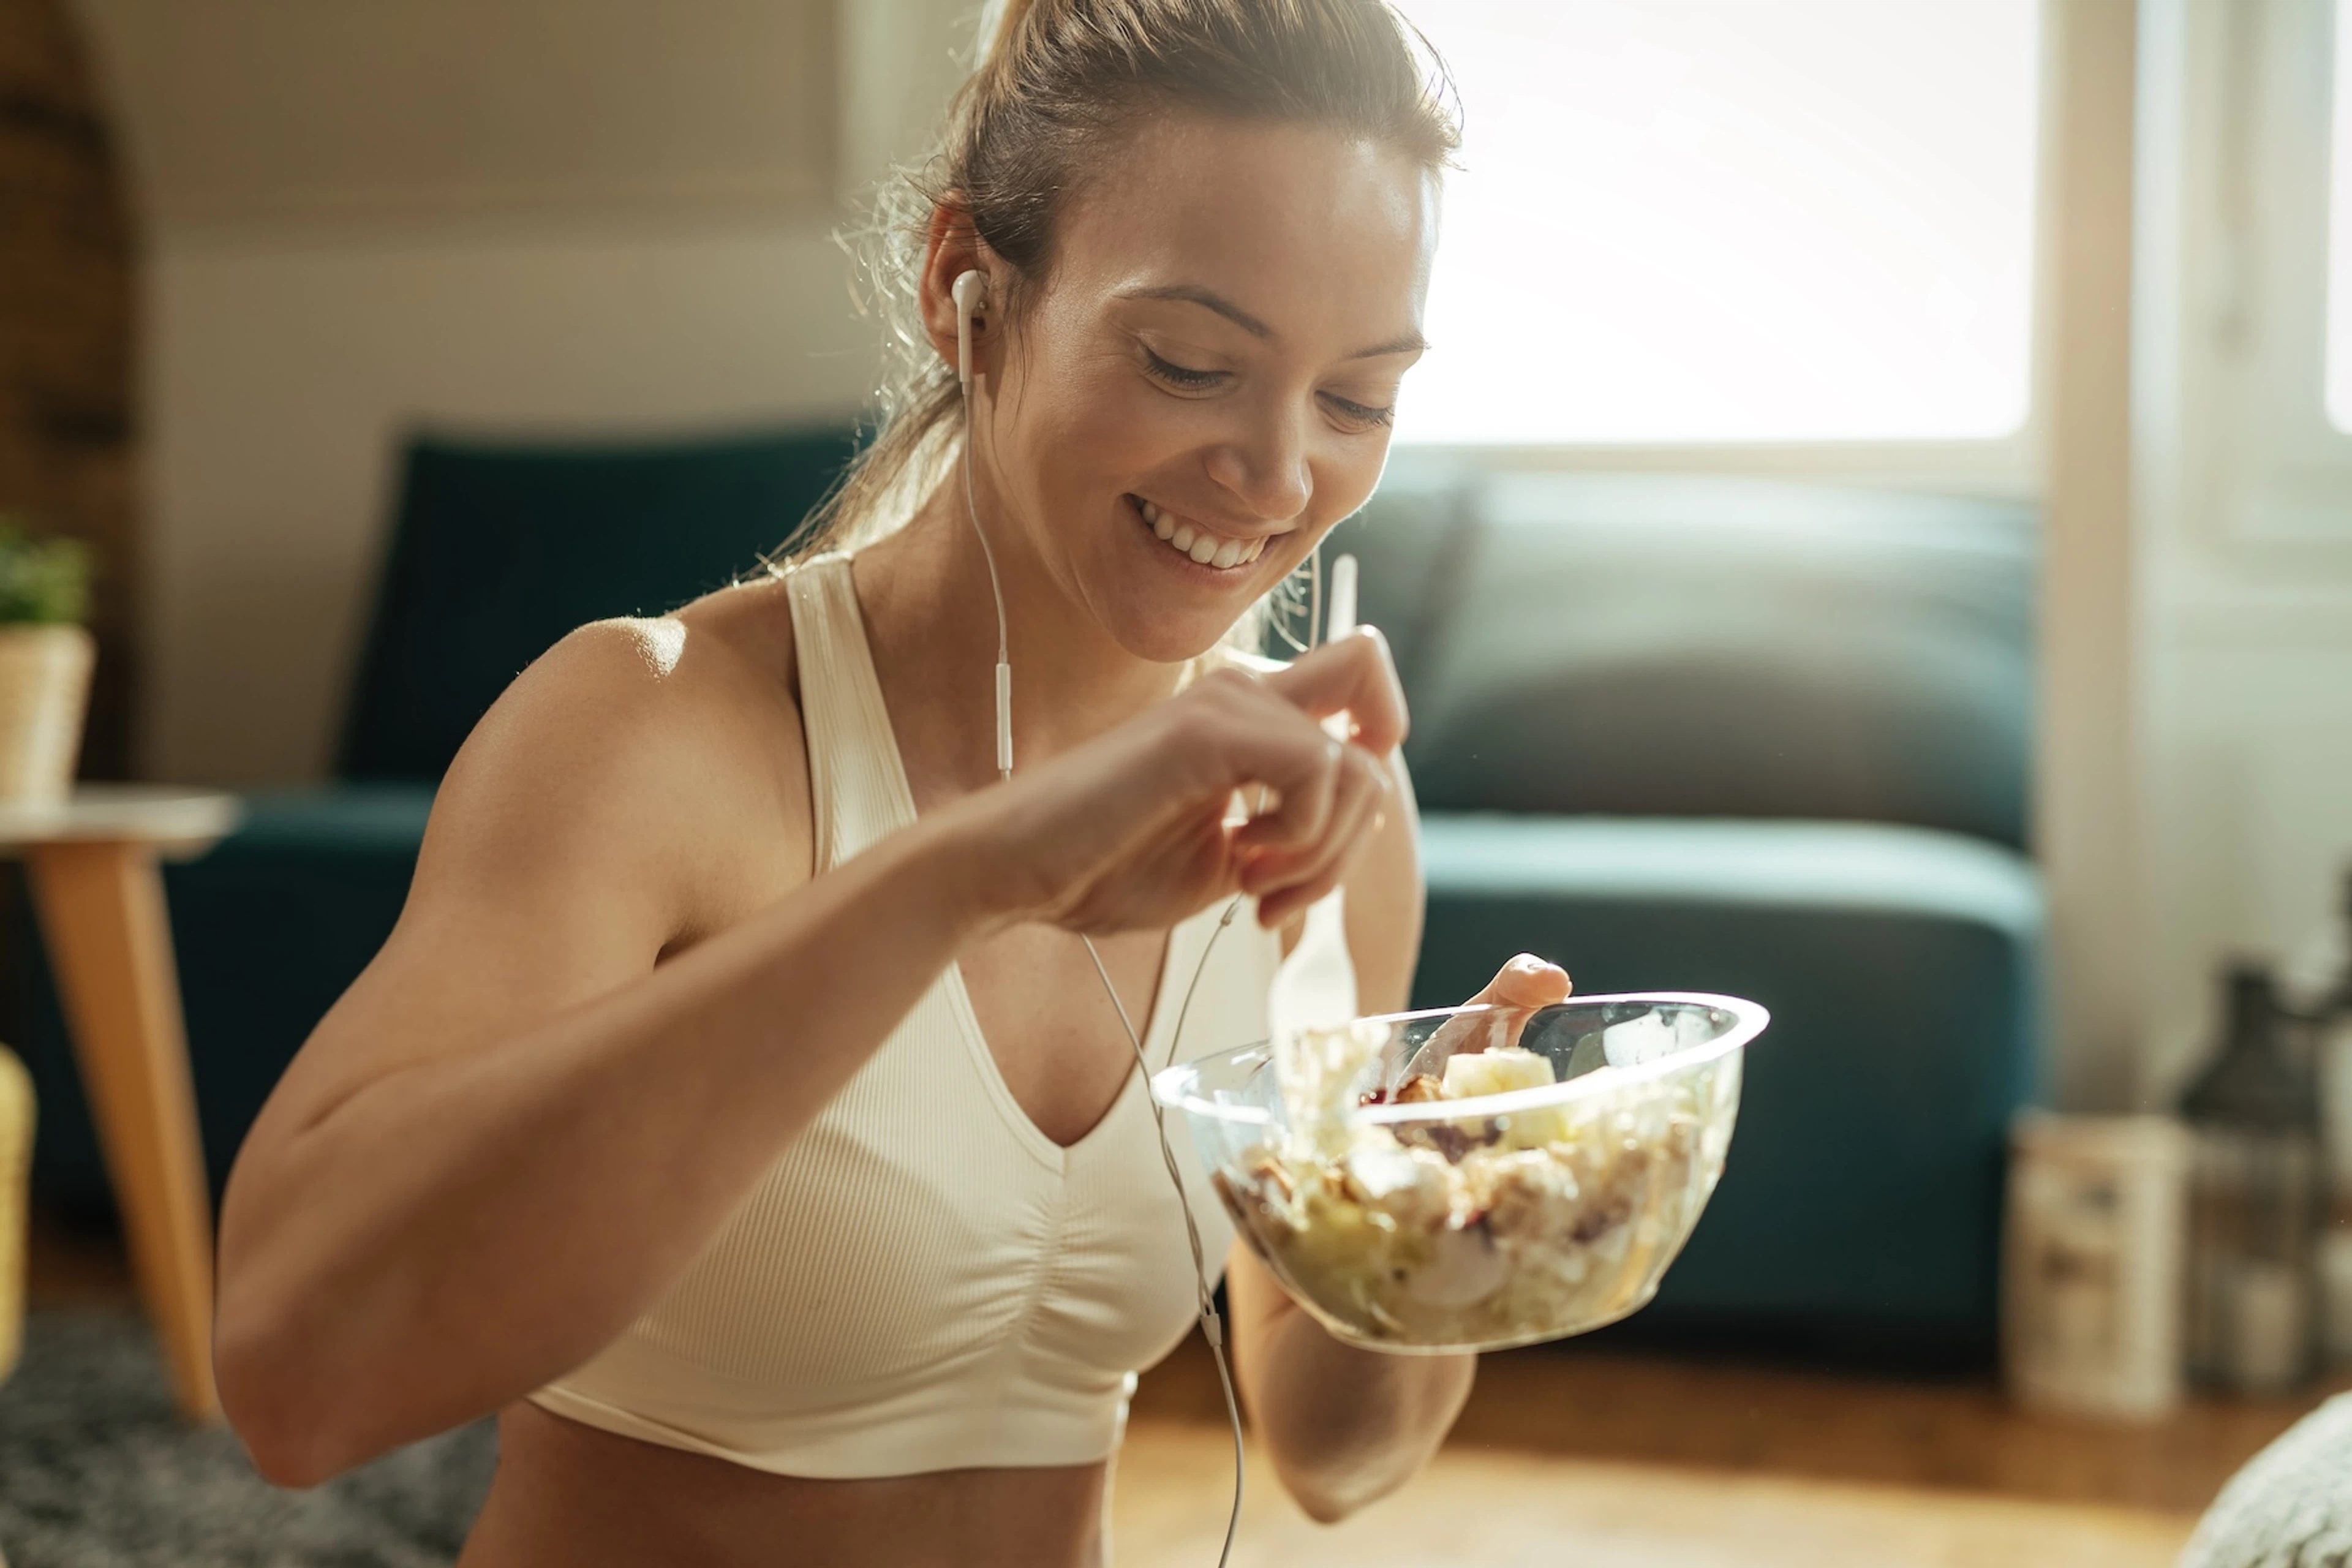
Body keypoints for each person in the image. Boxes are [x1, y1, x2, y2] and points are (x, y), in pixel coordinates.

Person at [213, 2, 1571, 1562]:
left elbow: (1335, 1449)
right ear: (963, 289)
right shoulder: (656, 736)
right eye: (1190, 361)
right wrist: (966, 873)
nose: (1276, 477)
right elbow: (295, 1377)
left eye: (1358, 399)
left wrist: (1437, 1211)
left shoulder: (1330, 818)